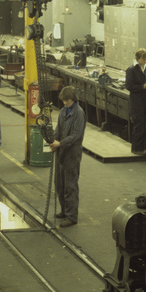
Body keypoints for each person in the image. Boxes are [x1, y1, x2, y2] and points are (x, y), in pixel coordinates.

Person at [51, 86, 86, 228]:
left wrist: (60, 143)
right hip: (61, 151)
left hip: (72, 153)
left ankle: (72, 216)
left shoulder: (79, 113)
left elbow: (76, 135)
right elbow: (58, 129)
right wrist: (53, 141)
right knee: (59, 184)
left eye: (66, 101)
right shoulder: (63, 111)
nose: (64, 103)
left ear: (72, 99)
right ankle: (65, 211)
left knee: (70, 185)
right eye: (63, 101)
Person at [124, 48, 146, 154]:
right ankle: (137, 149)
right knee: (138, 126)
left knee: (141, 125)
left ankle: (139, 147)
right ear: (138, 58)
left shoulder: (143, 68)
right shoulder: (131, 69)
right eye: (143, 59)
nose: (145, 61)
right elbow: (129, 86)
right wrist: (142, 87)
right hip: (136, 102)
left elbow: (145, 82)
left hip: (143, 100)